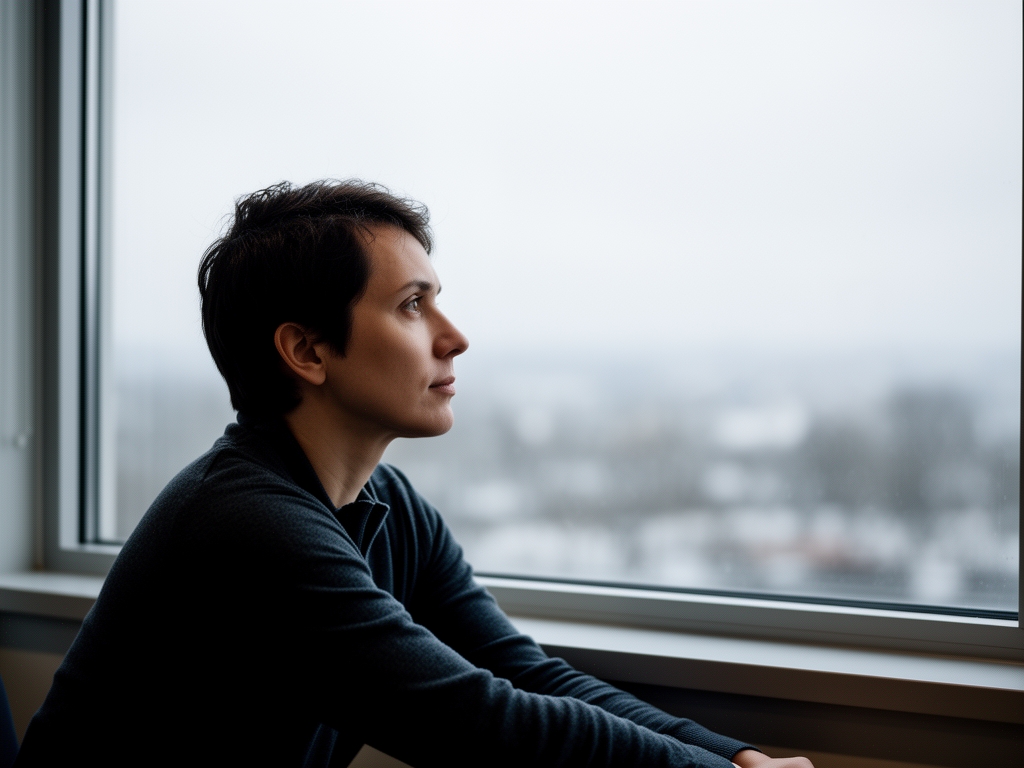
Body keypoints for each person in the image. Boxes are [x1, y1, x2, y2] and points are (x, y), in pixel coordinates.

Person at [16, 181, 813, 768]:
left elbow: (520, 669)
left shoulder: (384, 502)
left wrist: (736, 757)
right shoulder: (247, 524)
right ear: (307, 351)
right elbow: (480, 721)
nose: (454, 336)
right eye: (410, 306)